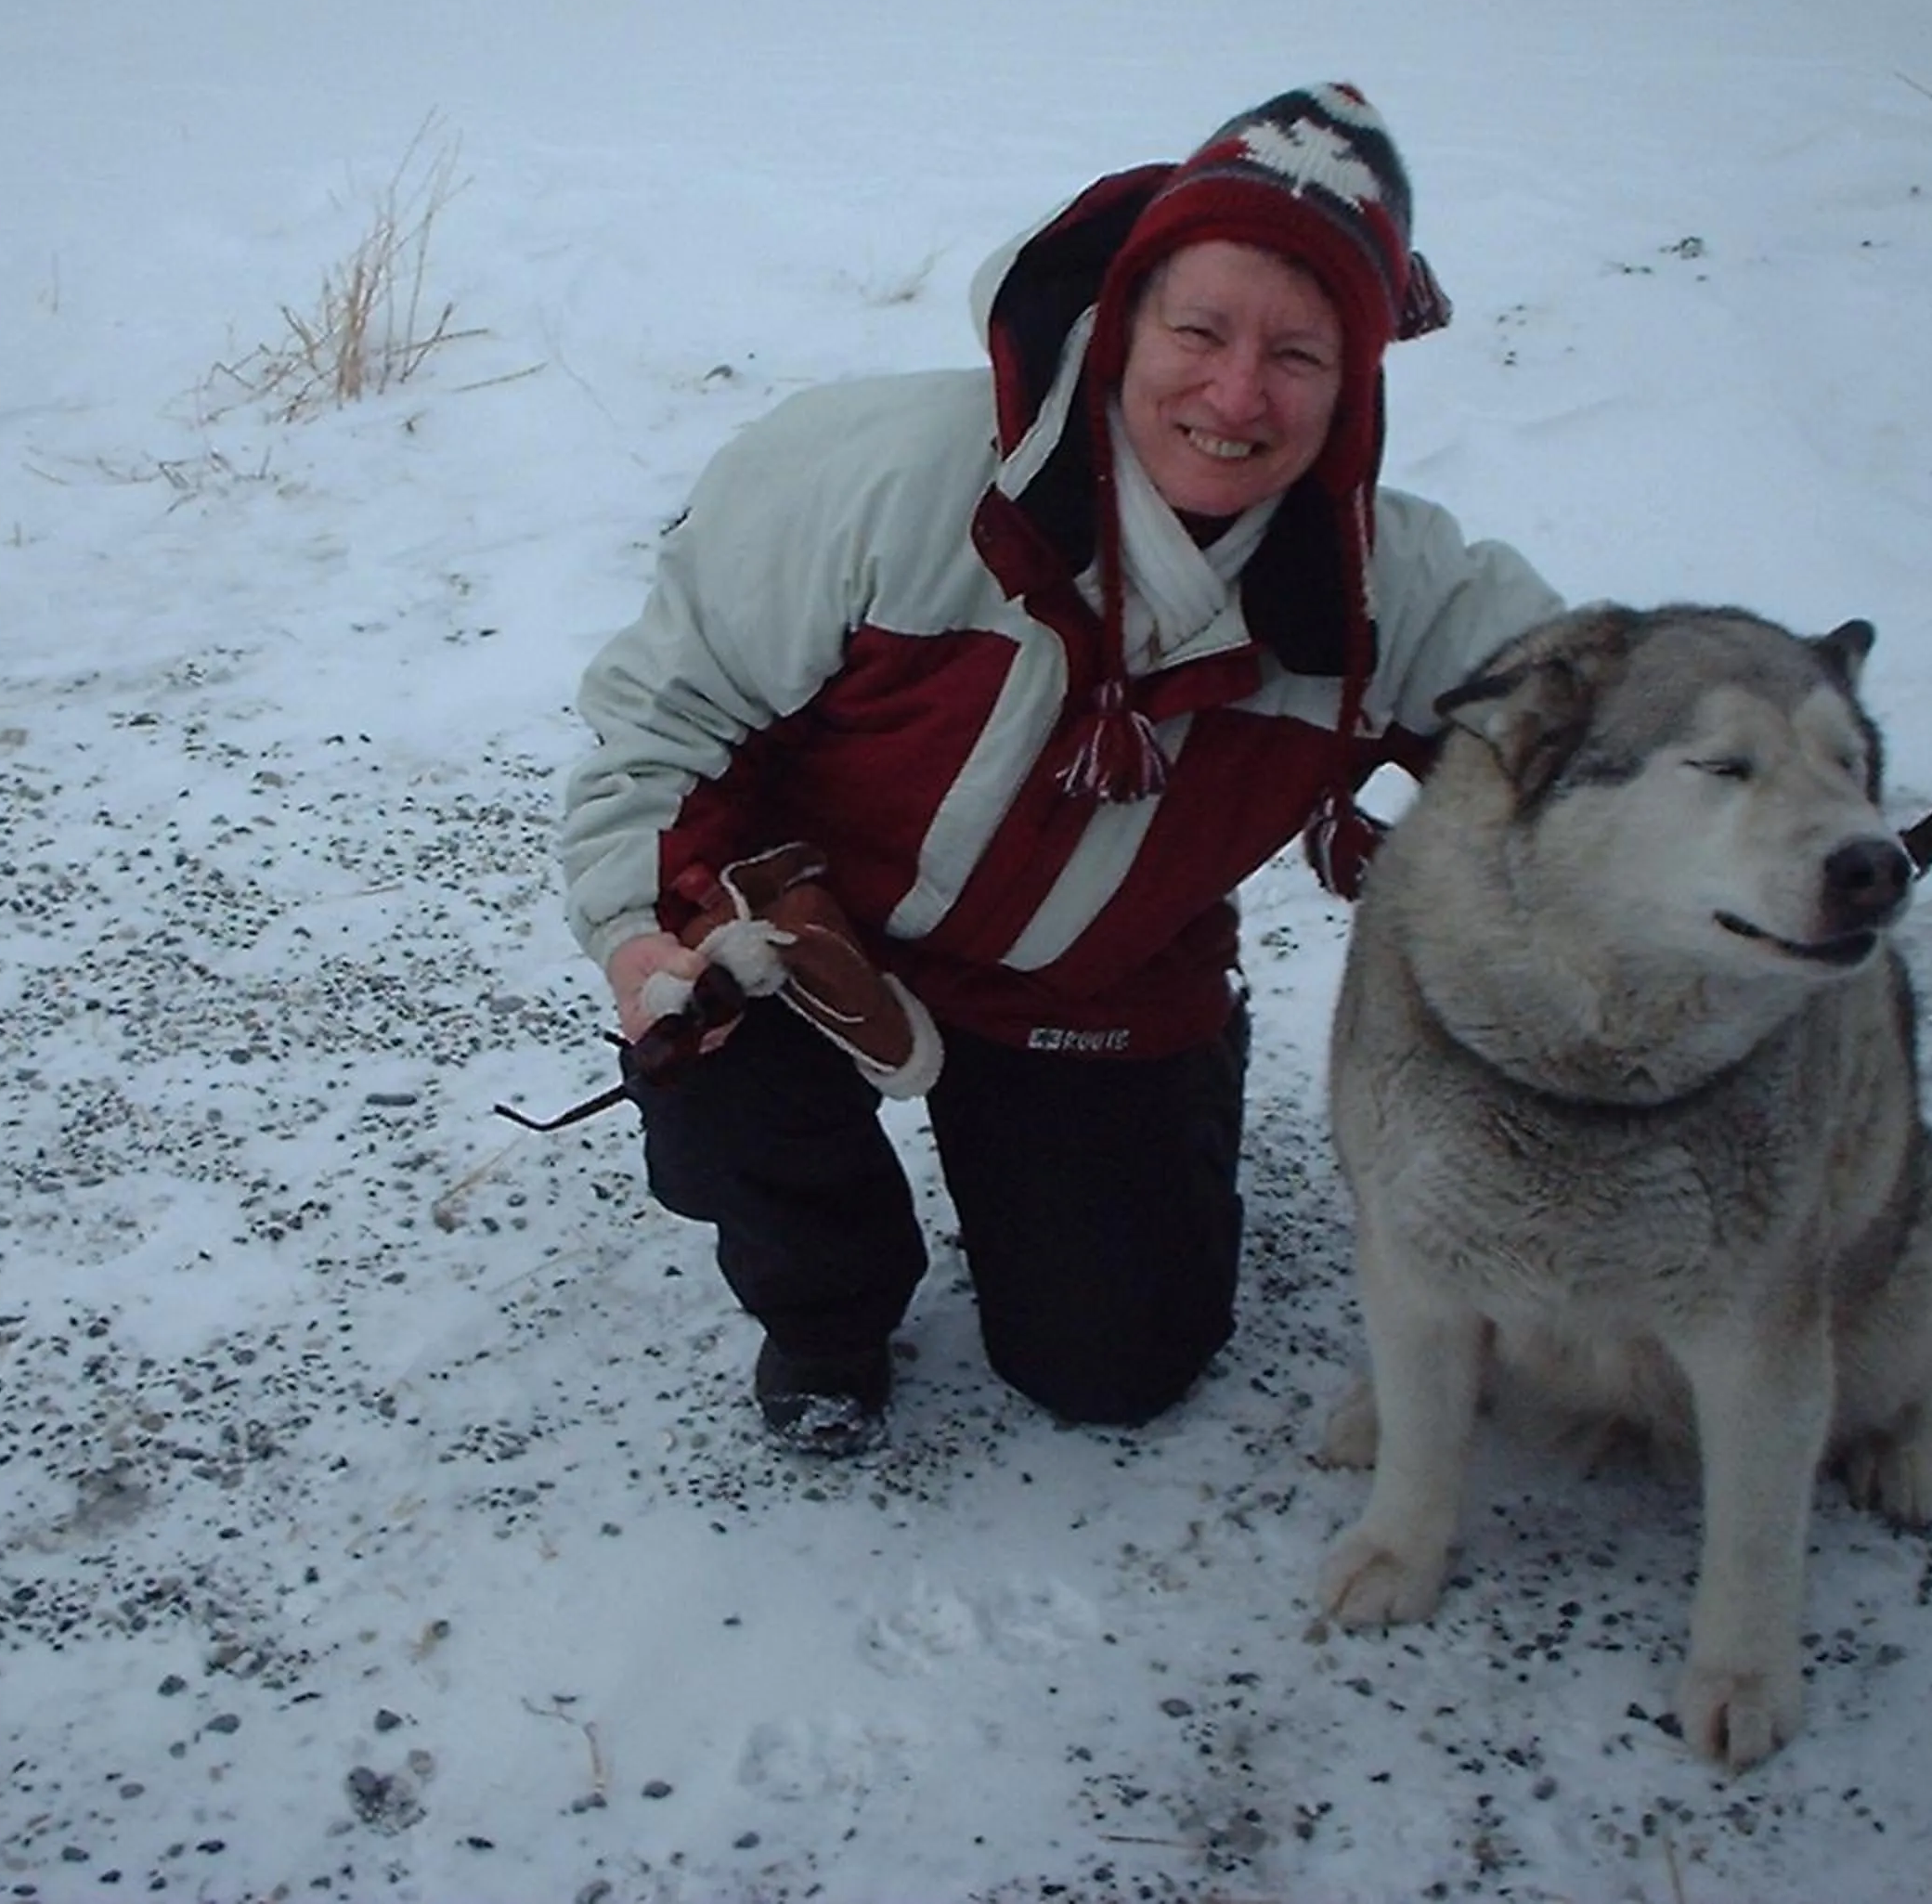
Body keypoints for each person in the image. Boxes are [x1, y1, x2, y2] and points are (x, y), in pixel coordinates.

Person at [560, 83, 1563, 1455]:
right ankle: (830, 1311)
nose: (1235, 393)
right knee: (722, 1079)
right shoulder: (874, 479)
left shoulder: (1393, 593)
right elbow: (663, 731)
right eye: (1198, 330)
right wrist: (639, 929)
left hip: (1095, 983)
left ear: (1358, 380)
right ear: (1122, 319)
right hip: (808, 940)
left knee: (1112, 1366)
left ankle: (1159, 1101)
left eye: (1299, 355)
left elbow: (1595, 726)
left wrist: (1766, 815)